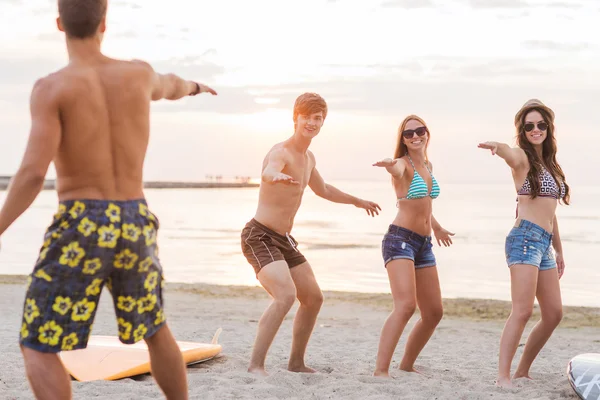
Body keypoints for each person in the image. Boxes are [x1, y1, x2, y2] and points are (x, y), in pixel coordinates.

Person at [0, 1, 217, 399]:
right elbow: (173, 85)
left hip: (81, 219)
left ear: (59, 23)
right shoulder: (138, 74)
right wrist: (196, 87)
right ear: (104, 23)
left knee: (37, 341)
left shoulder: (52, 88)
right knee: (154, 329)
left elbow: (32, 175)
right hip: (135, 217)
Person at [241, 92, 381, 376]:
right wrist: (274, 176)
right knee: (285, 295)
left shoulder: (309, 158)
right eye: (307, 117)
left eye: (318, 118)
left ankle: (295, 363)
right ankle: (256, 365)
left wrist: (357, 201)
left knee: (314, 298)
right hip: (259, 235)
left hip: (284, 240)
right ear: (296, 118)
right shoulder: (280, 151)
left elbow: (324, 190)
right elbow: (269, 170)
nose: (312, 123)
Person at [478, 99, 569, 388]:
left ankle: (522, 371)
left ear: (548, 128)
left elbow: (550, 212)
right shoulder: (523, 159)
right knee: (523, 310)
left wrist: (559, 249)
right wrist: (498, 146)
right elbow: (510, 154)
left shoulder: (550, 165)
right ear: (523, 129)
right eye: (529, 125)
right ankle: (503, 376)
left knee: (554, 313)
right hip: (524, 239)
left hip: (543, 242)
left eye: (541, 124)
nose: (536, 129)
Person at [372, 115, 454, 378]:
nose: (415, 136)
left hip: (424, 244)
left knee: (433, 313)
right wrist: (389, 165)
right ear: (403, 140)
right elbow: (396, 169)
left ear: (427, 133)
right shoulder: (403, 165)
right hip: (400, 241)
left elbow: (425, 203)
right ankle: (380, 371)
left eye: (420, 130)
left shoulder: (428, 165)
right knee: (405, 306)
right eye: (409, 134)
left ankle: (406, 365)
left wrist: (437, 226)